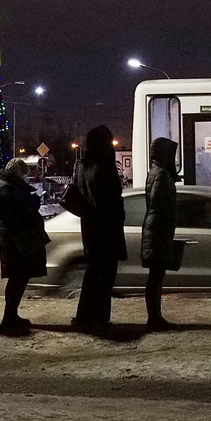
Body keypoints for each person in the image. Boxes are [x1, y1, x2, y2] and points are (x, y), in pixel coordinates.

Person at [69, 126, 127, 333]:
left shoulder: (82, 165)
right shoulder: (104, 165)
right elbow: (112, 198)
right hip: (106, 226)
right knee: (105, 274)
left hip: (90, 226)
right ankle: (100, 317)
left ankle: (85, 315)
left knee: (93, 272)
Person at [0, 158, 48, 334]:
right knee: (18, 277)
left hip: (16, 238)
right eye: (23, 175)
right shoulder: (6, 188)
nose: (25, 179)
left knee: (19, 277)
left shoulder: (7, 185)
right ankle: (10, 316)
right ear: (17, 173)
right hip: (16, 239)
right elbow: (16, 214)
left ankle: (11, 315)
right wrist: (33, 203)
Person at [139, 137, 181, 330]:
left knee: (156, 276)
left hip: (156, 228)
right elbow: (156, 201)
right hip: (158, 230)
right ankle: (154, 318)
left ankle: (155, 316)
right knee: (156, 276)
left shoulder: (156, 172)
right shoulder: (162, 174)